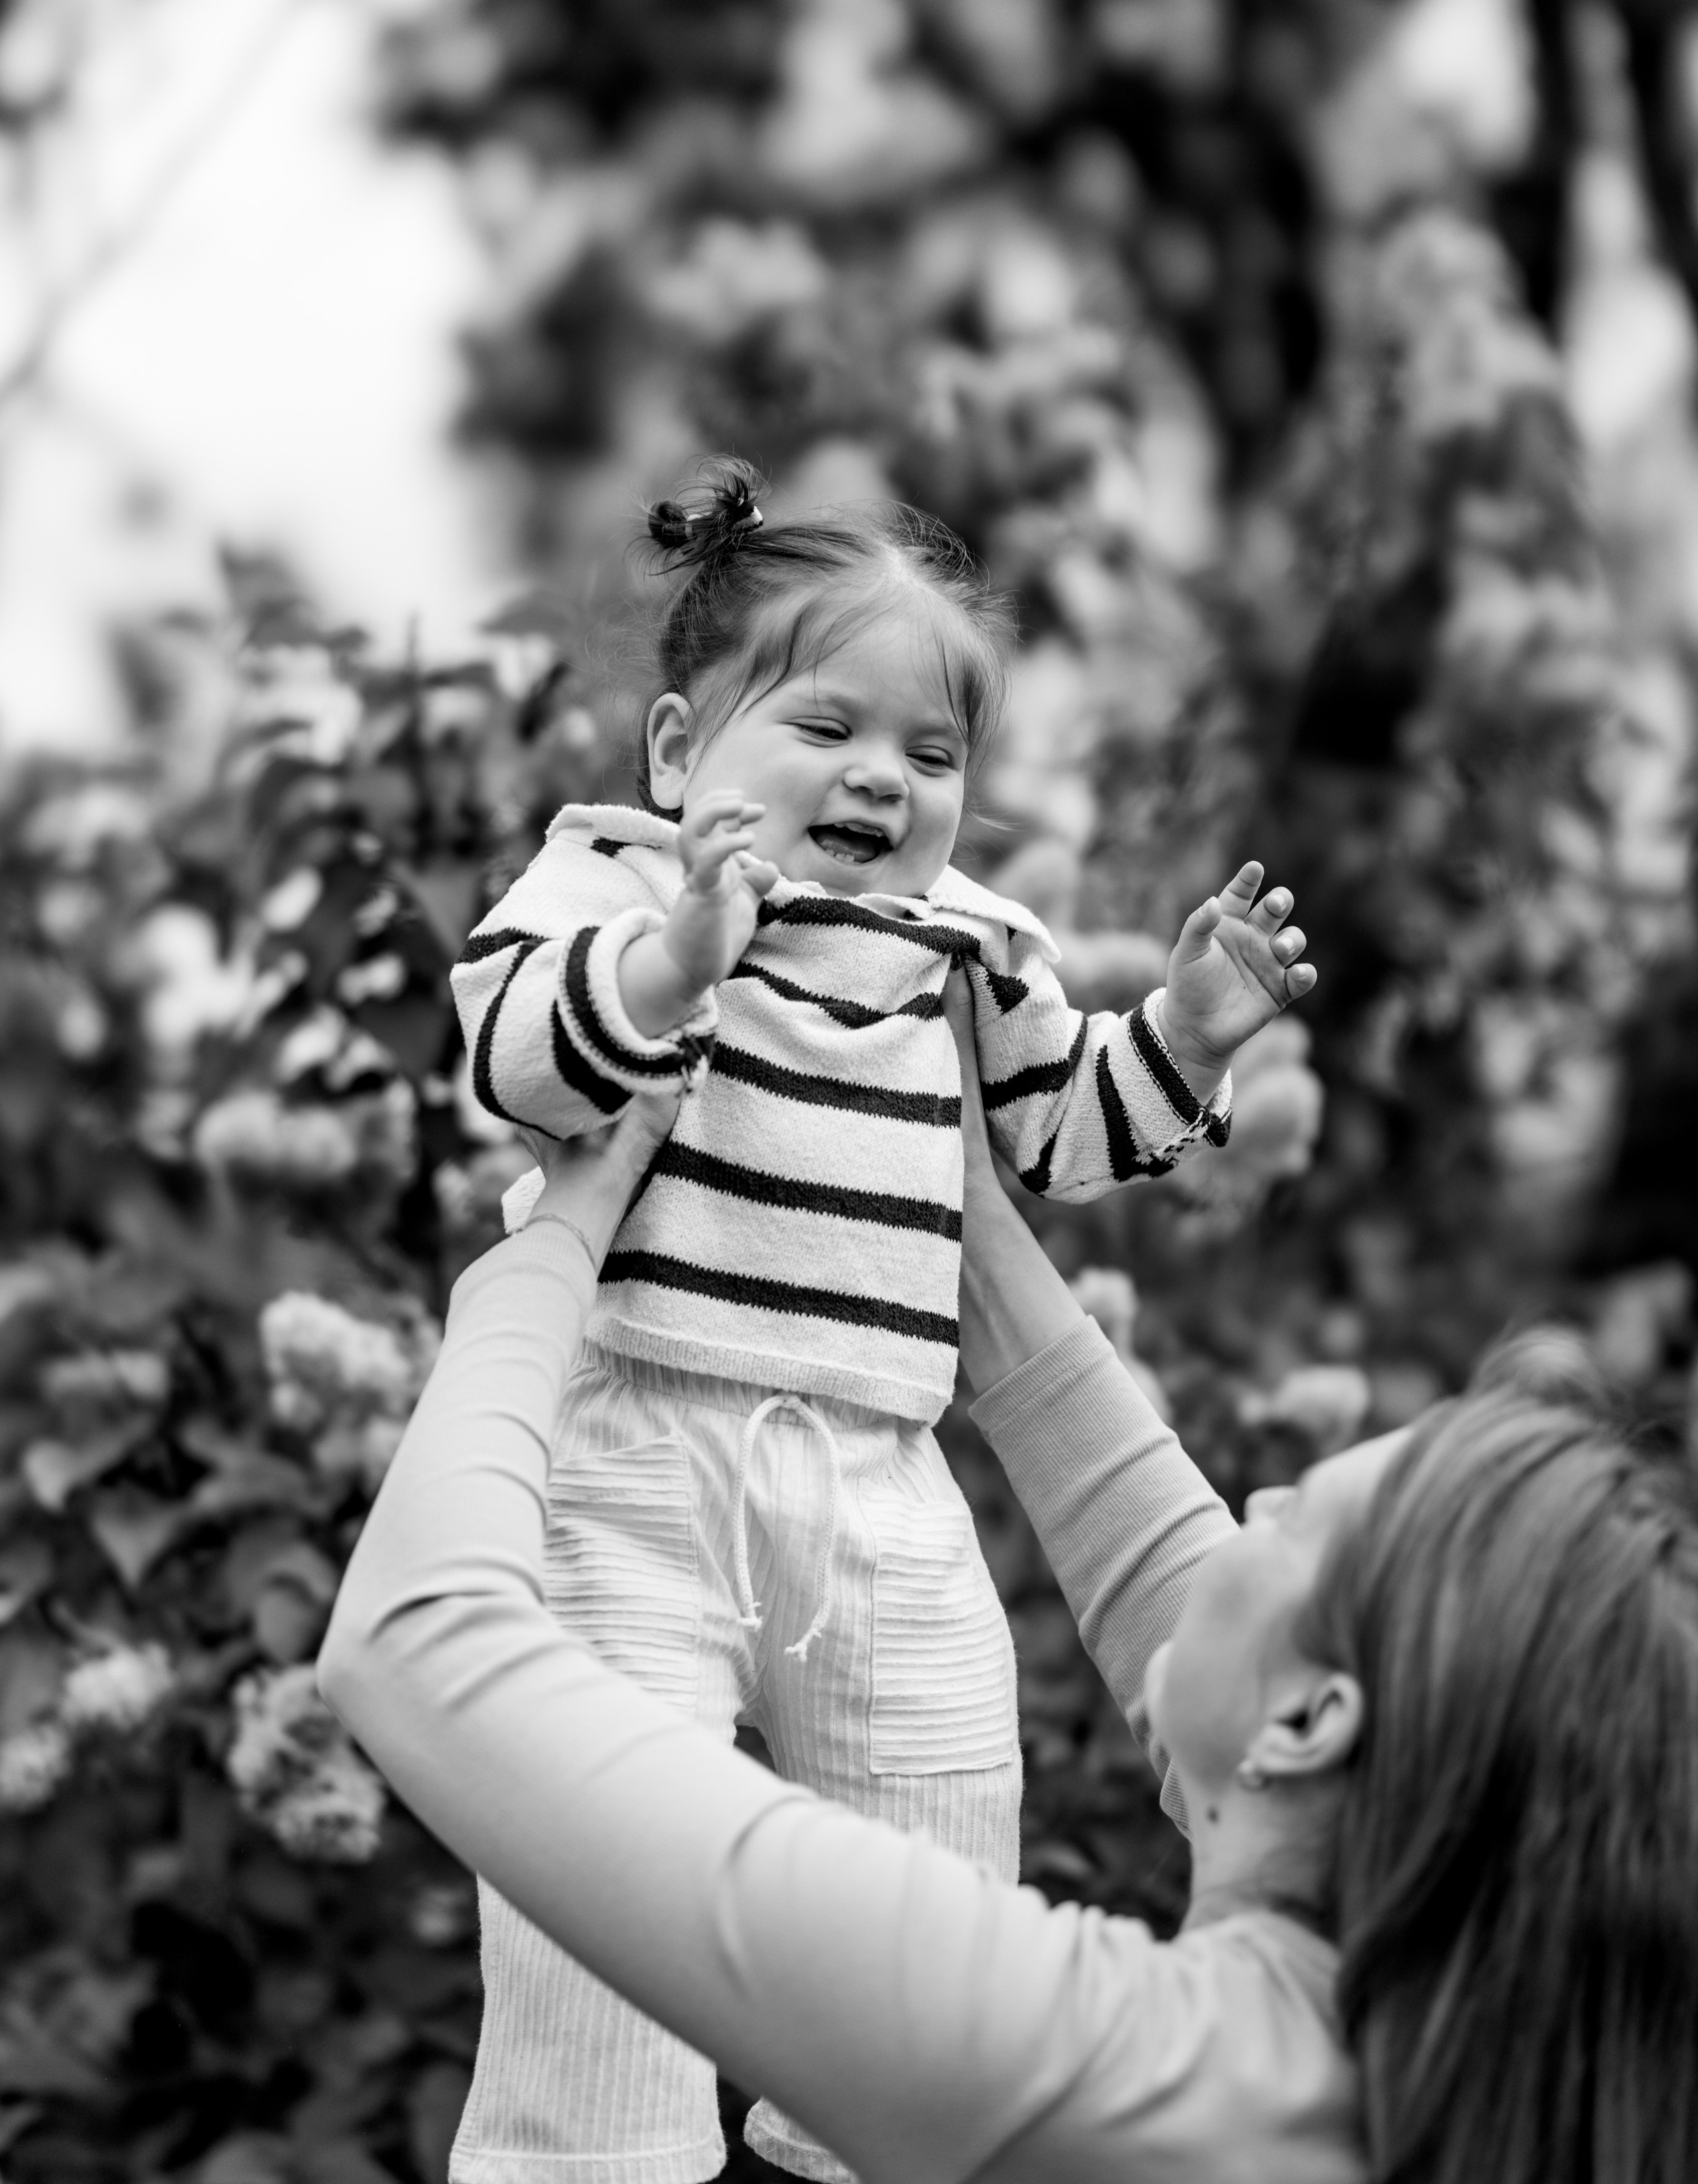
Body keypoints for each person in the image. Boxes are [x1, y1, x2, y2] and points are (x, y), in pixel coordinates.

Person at [320, 979, 1698, 2184]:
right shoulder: (1467, 2068)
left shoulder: (1102, 2062)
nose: (1245, 1509)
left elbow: (418, 1645)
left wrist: (557, 1238)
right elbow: (1165, 1571)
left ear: (1304, 1724)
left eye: (1285, 1516)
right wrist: (938, 1200)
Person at [445, 462, 1316, 2179]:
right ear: (680, 749)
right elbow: (513, 1054)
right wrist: (669, 965)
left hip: (880, 1473)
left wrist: (1185, 1038)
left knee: (935, 1820)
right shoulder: (616, 881)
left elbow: (1058, 1131)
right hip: (642, 1457)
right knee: (601, 1872)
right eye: (827, 725)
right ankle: (590, 2151)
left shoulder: (966, 943)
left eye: (932, 753)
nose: (882, 778)